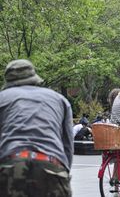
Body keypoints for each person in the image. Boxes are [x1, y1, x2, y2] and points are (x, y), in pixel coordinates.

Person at [0, 59, 73, 196]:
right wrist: (62, 172)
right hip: (51, 165)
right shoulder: (59, 100)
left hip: (11, 164)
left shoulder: (2, 98)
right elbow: (67, 144)